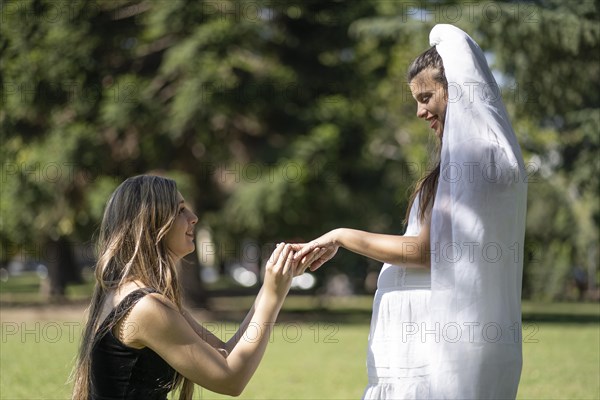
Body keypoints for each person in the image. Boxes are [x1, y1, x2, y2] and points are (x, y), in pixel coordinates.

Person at [293, 24, 527, 400]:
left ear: (458, 91)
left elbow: (426, 251)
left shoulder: (472, 161)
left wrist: (341, 236)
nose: (420, 112)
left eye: (426, 97)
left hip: (434, 356)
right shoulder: (486, 158)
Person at [70, 175, 317, 399]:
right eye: (180, 211)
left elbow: (225, 354)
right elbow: (231, 380)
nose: (193, 218)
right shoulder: (145, 308)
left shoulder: (138, 296)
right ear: (152, 224)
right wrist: (273, 296)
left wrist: (271, 287)